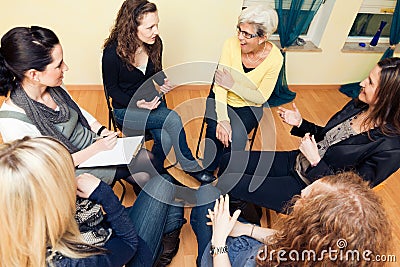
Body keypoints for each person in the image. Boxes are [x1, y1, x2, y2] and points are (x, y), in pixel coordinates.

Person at [216, 57, 400, 213]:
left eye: (370, 83)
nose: (361, 83)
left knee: (231, 182)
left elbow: (348, 194)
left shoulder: (390, 148)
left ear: (388, 96)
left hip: (310, 189)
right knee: (227, 160)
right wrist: (300, 123)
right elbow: (328, 138)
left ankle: (244, 215)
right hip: (297, 160)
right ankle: (246, 204)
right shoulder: (359, 106)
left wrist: (316, 162)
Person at [0, 25, 151, 188]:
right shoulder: (13, 122)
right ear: (34, 74)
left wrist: (101, 131)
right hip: (70, 169)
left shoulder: (54, 85)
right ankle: (158, 198)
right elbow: (47, 168)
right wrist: (97, 149)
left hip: (94, 144)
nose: (65, 68)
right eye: (58, 65)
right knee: (145, 166)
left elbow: (77, 110)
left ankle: (156, 196)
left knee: (146, 161)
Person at [0, 136, 185, 266]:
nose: (74, 176)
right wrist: (104, 194)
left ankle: (163, 245)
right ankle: (158, 254)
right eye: (67, 173)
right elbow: (128, 244)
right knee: (165, 186)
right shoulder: (72, 262)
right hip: (127, 252)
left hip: (108, 241)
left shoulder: (24, 221)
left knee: (170, 203)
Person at [102, 0, 215, 184]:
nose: (156, 31)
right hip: (127, 109)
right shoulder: (112, 53)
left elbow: (157, 72)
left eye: (157, 25)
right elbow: (112, 90)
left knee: (164, 136)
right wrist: (137, 103)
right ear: (132, 27)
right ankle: (190, 166)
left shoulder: (155, 43)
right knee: (172, 119)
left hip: (152, 103)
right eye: (150, 27)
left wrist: (163, 83)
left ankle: (155, 172)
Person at [194, 172, 391, 266]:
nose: (301, 192)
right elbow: (290, 241)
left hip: (223, 257)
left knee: (204, 197)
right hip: (252, 248)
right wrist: (246, 230)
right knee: (209, 193)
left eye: (304, 198)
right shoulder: (327, 255)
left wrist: (218, 242)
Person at [202, 5, 283, 173]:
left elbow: (260, 97)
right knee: (214, 129)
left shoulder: (275, 59)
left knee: (236, 138)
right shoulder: (230, 44)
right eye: (239, 30)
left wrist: (232, 84)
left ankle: (227, 176)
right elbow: (220, 87)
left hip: (249, 107)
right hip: (221, 98)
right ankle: (207, 170)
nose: (240, 37)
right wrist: (223, 119)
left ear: (263, 37)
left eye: (247, 34)